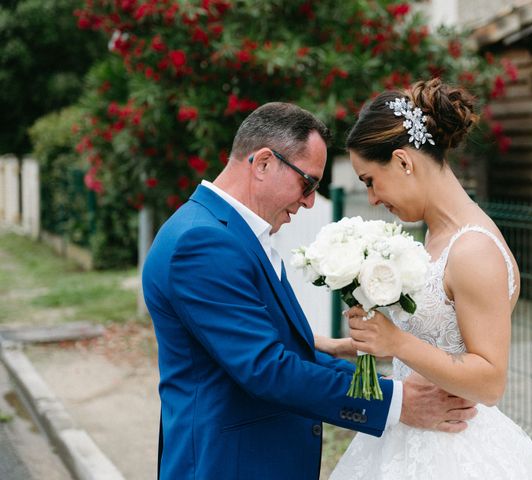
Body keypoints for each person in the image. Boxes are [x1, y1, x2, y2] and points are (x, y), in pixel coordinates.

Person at [141, 102, 478, 480]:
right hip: (226, 464)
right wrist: (397, 403)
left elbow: (285, 352)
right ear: (264, 163)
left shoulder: (227, 232)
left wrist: (379, 384)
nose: (309, 201)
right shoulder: (203, 243)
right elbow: (267, 369)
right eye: (308, 183)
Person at [318, 79, 532, 479]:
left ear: (403, 161)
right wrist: (343, 346)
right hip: (407, 433)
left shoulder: (473, 250)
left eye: (369, 181)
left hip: (453, 449)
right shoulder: (436, 236)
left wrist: (396, 341)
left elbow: (489, 380)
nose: (373, 198)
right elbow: (437, 341)